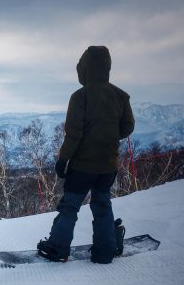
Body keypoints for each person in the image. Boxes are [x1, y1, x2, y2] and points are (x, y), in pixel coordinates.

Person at [37, 45, 135, 264]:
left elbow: (73, 134)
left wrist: (63, 160)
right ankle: (105, 251)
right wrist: (108, 135)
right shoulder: (120, 96)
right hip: (108, 165)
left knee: (70, 206)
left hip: (82, 166)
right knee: (102, 205)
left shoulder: (80, 97)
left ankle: (58, 248)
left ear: (84, 69)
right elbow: (128, 127)